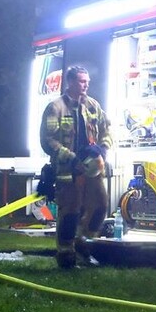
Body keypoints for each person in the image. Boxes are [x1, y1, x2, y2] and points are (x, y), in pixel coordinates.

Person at [40, 65, 113, 269]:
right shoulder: (55, 107)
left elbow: (106, 130)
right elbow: (48, 140)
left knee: (100, 206)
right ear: (70, 82)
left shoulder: (93, 106)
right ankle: (66, 255)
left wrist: (103, 150)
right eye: (82, 81)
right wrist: (71, 158)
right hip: (67, 171)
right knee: (70, 213)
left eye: (87, 81)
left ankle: (83, 242)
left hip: (93, 170)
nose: (86, 85)